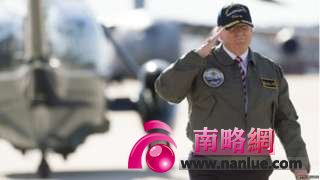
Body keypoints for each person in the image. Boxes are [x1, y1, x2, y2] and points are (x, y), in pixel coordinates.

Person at [155, 3, 310, 180]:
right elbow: (166, 91)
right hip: (209, 167)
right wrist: (195, 57)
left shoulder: (270, 70)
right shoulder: (200, 63)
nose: (239, 33)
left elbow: (286, 120)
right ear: (219, 32)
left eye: (244, 27)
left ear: (252, 30)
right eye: (232, 28)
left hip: (255, 168)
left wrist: (299, 165)